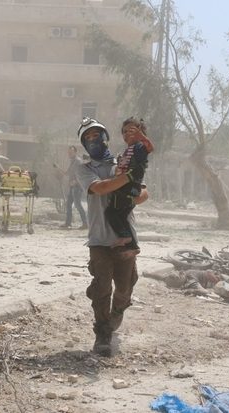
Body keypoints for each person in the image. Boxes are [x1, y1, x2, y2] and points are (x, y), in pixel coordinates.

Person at [75, 117, 148, 357]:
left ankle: (117, 314)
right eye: (88, 138)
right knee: (103, 286)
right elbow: (99, 188)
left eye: (97, 135)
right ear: (84, 144)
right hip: (99, 240)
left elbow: (144, 192)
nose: (93, 140)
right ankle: (102, 333)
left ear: (105, 137)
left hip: (125, 238)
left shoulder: (123, 162)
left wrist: (131, 196)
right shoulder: (84, 169)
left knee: (125, 289)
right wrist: (127, 179)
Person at [105, 117, 153, 252]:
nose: (127, 134)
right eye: (124, 132)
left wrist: (142, 137)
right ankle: (132, 245)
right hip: (130, 187)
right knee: (121, 216)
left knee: (111, 212)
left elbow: (150, 148)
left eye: (131, 131)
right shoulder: (129, 150)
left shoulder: (139, 146)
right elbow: (123, 168)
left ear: (140, 132)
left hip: (128, 186)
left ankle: (125, 236)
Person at [58, 145, 87, 230]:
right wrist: (58, 168)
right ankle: (68, 223)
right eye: (69, 152)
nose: (69, 153)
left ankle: (85, 224)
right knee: (68, 205)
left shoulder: (78, 161)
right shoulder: (72, 162)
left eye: (71, 152)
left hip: (77, 187)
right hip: (72, 188)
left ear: (75, 152)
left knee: (78, 205)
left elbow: (83, 175)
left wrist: (76, 182)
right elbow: (66, 173)